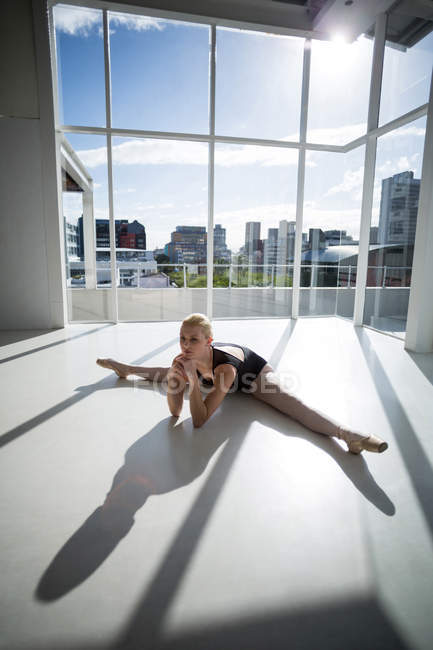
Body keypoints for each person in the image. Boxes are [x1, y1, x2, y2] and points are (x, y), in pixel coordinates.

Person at [97, 312, 388, 455]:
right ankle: (127, 369)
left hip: (251, 375)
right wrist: (177, 379)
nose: (185, 345)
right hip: (211, 373)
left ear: (207, 341)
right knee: (167, 372)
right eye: (183, 338)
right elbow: (175, 414)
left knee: (291, 405)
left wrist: (194, 385)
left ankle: (348, 434)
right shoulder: (186, 356)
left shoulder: (225, 369)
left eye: (193, 340)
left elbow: (198, 422)